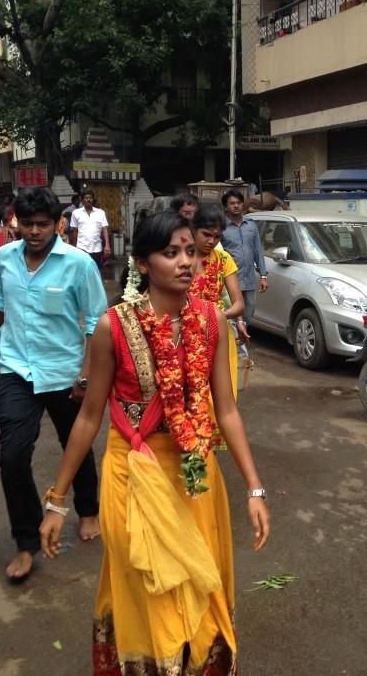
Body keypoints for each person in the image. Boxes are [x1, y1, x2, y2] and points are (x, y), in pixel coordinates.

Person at [38, 211, 270, 675]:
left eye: (190, 252)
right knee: (152, 590)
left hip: (196, 475)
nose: (187, 262)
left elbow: (225, 410)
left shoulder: (211, 321)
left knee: (198, 592)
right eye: (171, 253)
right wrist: (57, 500)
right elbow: (89, 416)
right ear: (142, 263)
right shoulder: (113, 327)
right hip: (133, 473)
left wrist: (254, 488)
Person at [0, 186, 106, 581]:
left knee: (74, 445)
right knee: (11, 456)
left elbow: (97, 323)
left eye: (43, 224)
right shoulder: (5, 257)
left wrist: (85, 374)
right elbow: (2, 303)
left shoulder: (78, 264)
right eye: (26, 224)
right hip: (16, 369)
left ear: (58, 224)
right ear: (16, 223)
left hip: (64, 373)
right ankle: (26, 542)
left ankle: (89, 510)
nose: (34, 231)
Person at [191, 203, 250, 397]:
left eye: (217, 237)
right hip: (186, 332)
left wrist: (215, 315)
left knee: (221, 395)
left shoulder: (224, 259)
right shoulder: (180, 257)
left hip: (218, 333)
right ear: (193, 230)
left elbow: (239, 304)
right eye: (206, 234)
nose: (211, 241)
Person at [220, 189, 268, 324]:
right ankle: (234, 338)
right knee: (233, 310)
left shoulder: (251, 225)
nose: (236, 206)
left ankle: (240, 335)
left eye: (239, 203)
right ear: (225, 207)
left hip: (249, 278)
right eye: (232, 203)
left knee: (250, 307)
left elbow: (258, 250)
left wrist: (263, 276)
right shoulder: (221, 227)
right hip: (230, 278)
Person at [69, 190, 110, 269]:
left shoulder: (100, 212)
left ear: (93, 199)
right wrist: (74, 247)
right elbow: (74, 231)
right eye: (86, 198)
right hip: (81, 247)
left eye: (90, 198)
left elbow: (105, 229)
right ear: (82, 200)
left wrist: (107, 245)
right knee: (83, 270)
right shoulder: (76, 213)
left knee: (96, 270)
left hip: (97, 247)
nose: (88, 200)